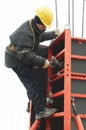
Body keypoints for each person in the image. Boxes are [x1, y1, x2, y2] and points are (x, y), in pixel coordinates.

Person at [5, 6, 60, 119]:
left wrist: (52, 34)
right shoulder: (26, 33)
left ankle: (55, 63)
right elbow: (25, 55)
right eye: (44, 26)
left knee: (44, 50)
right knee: (32, 83)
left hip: (23, 52)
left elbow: (39, 37)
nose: (45, 28)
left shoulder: (34, 27)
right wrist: (42, 62)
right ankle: (40, 111)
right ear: (39, 22)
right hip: (17, 60)